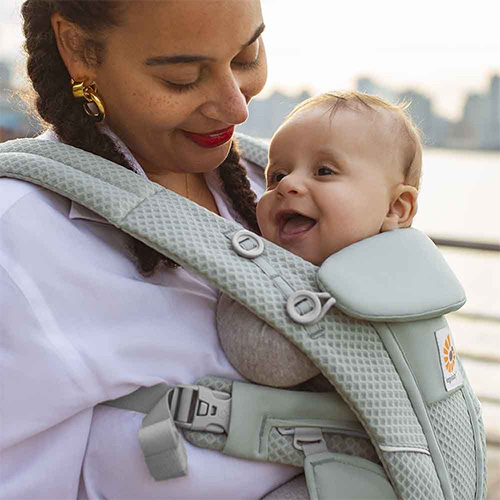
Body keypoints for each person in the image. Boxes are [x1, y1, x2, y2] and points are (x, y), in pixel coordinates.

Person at [0, 1, 303, 498]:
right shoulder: (20, 242)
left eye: (247, 56)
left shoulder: (278, 182)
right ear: (77, 47)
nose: (236, 107)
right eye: (183, 77)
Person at [218, 91, 421, 388]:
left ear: (395, 208)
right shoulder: (269, 276)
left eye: (324, 171)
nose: (287, 184)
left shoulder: (405, 285)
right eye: (276, 175)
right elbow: (266, 361)